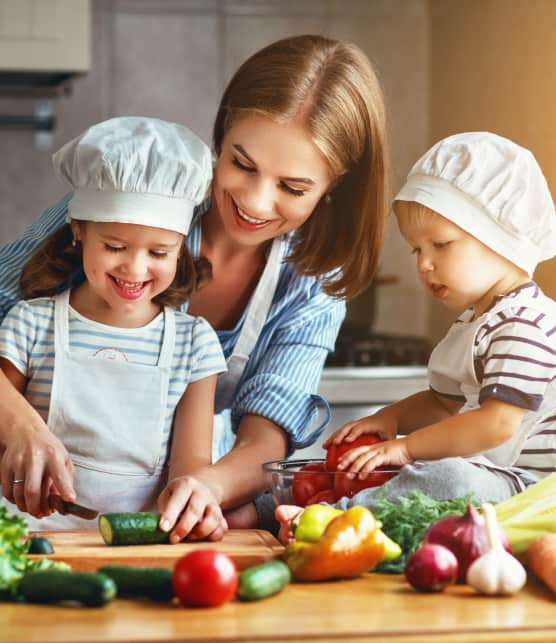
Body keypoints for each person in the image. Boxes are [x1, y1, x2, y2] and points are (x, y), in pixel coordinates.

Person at [0, 34, 389, 538]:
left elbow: (262, 442)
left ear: (335, 184)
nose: (254, 201)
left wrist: (204, 488)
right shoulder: (130, 198)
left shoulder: (312, 283)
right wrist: (20, 425)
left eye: (292, 188)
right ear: (221, 134)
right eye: (241, 164)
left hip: (149, 513)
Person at [0, 117, 228, 539]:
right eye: (115, 247)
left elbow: (191, 468)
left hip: (136, 544)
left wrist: (194, 500)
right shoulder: (32, 324)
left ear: (181, 247)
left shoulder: (194, 344)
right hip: (24, 537)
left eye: (160, 251)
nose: (135, 268)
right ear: (78, 230)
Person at [319, 131, 556, 514]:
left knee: (450, 479)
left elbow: (497, 424)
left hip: (533, 490)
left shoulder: (524, 325)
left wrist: (407, 447)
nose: (423, 264)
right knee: (432, 472)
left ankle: (339, 515)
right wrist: (390, 419)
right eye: (417, 249)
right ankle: (283, 505)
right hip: (497, 476)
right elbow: (443, 405)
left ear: (499, 239)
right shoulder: (477, 321)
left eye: (441, 245)